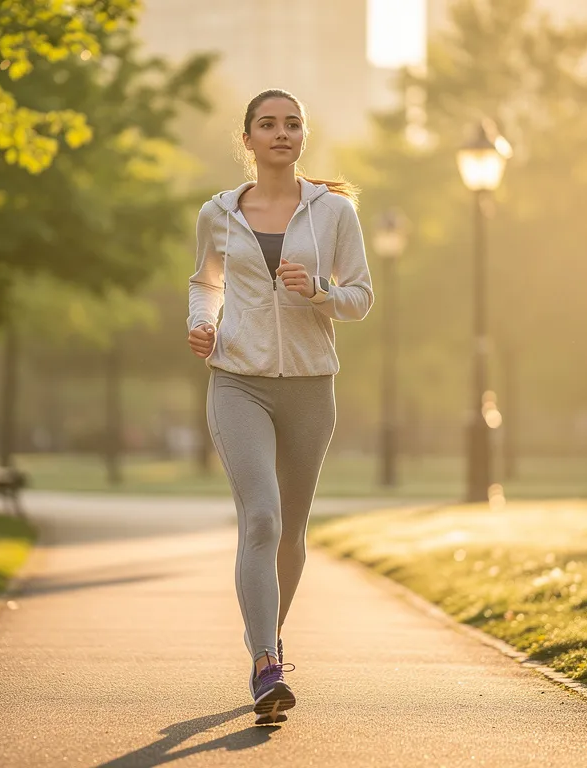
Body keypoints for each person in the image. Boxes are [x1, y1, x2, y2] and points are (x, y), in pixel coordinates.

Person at [186, 89, 374, 724]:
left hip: (310, 388)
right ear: (248, 140)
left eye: (292, 124)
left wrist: (320, 290)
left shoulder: (335, 213)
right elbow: (205, 281)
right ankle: (267, 663)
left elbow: (361, 299)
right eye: (267, 124)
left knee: (291, 532)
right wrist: (202, 324)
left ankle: (265, 646)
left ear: (303, 137)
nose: (281, 133)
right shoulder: (217, 213)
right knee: (261, 519)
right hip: (237, 380)